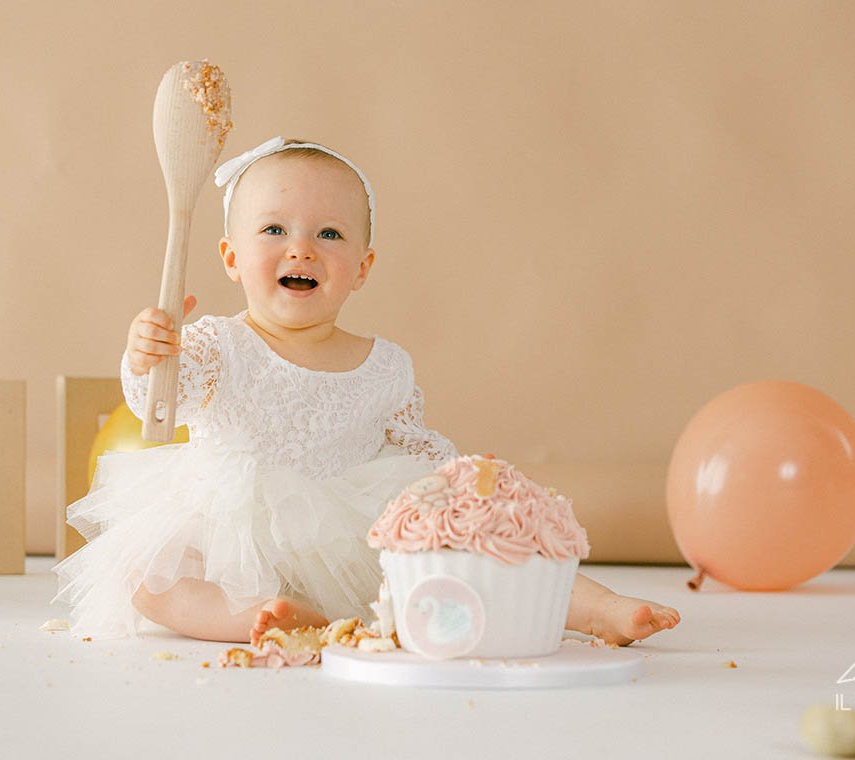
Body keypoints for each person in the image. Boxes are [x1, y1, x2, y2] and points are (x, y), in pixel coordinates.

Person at [52, 136, 681, 647]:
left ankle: (594, 606)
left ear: (363, 267)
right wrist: (149, 355)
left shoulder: (383, 365)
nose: (301, 246)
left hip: (351, 527)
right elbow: (158, 402)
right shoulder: (218, 344)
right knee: (144, 571)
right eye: (273, 229)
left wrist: (456, 498)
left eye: (329, 235)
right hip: (229, 525)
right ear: (230, 257)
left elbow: (416, 454)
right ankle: (260, 617)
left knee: (477, 545)